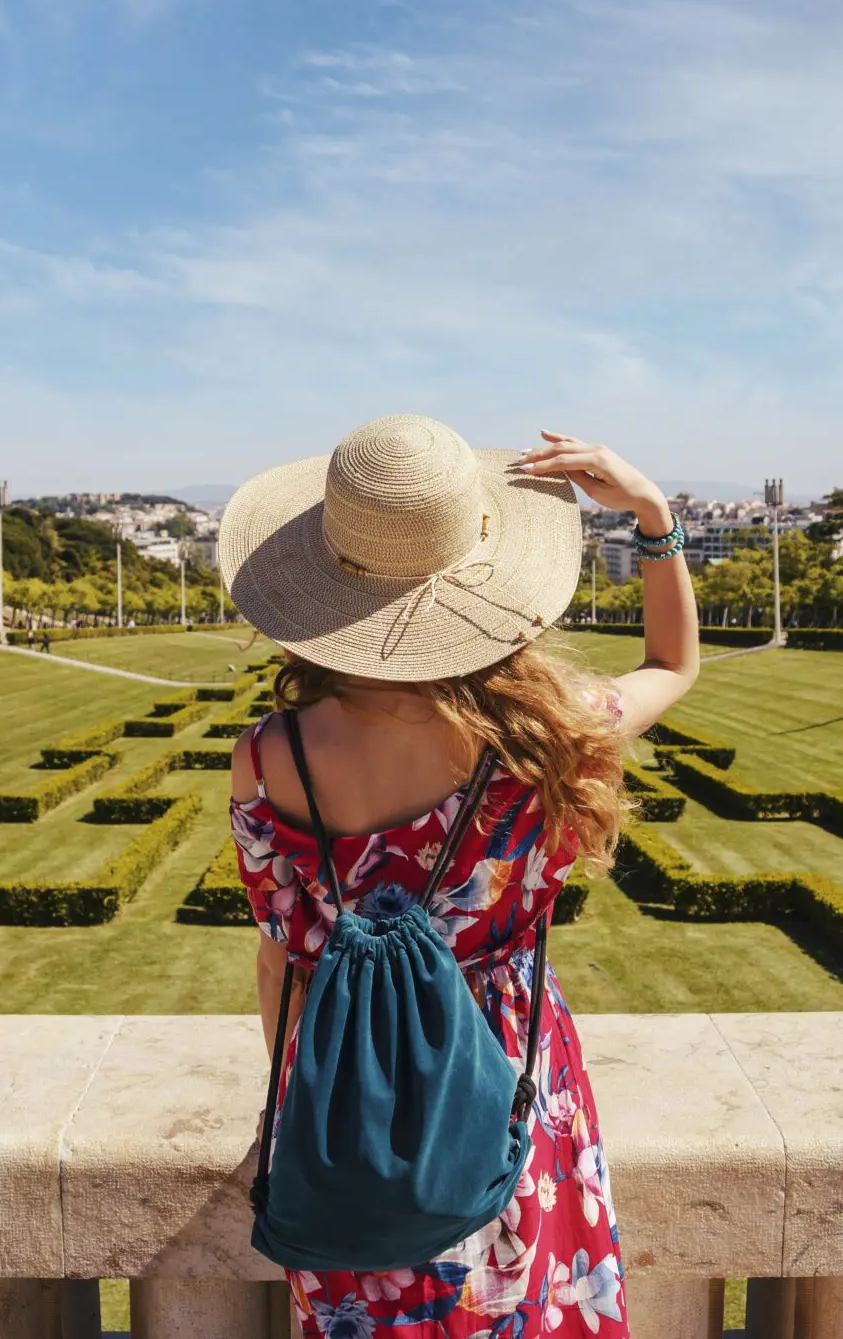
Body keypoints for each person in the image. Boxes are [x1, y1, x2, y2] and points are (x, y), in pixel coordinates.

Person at [222, 416, 698, 1339]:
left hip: (346, 1107)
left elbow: (281, 960)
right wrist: (651, 513)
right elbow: (673, 663)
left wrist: (297, 1106)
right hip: (509, 1079)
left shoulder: (268, 755)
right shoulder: (555, 729)